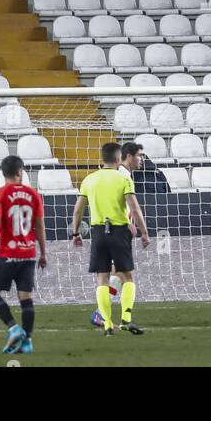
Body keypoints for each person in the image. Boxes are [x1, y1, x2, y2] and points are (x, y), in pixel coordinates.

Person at [70, 142, 150, 336]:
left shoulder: (89, 179)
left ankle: (105, 321)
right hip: (118, 230)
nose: (141, 159)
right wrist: (140, 228)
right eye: (139, 155)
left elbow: (78, 209)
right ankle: (121, 318)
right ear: (122, 156)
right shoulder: (122, 176)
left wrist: (75, 233)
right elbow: (132, 205)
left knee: (105, 277)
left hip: (98, 231)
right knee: (125, 275)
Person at [0, 155, 47, 354]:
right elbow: (39, 226)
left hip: (8, 253)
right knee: (25, 297)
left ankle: (14, 328)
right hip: (29, 253)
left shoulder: (0, 194)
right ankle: (27, 342)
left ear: (3, 174)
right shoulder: (33, 194)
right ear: (20, 172)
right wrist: (43, 253)